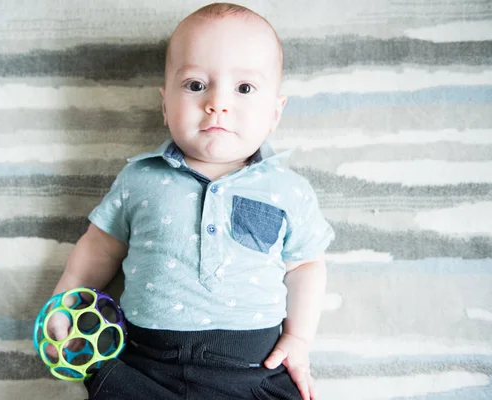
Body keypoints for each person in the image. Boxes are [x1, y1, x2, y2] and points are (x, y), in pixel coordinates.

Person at [49, 3, 334, 399]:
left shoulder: (287, 188)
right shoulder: (140, 178)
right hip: (147, 366)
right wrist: (66, 298)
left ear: (275, 112)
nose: (217, 103)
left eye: (244, 88)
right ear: (165, 105)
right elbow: (99, 247)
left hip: (251, 369)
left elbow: (305, 266)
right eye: (196, 85)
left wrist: (299, 339)